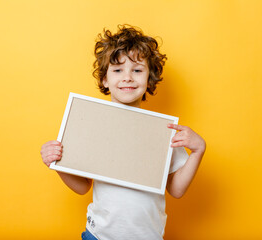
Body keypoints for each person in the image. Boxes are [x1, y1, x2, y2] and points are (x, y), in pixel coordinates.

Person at [40, 24, 206, 240]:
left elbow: (176, 190)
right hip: (98, 235)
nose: (127, 77)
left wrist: (198, 150)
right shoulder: (92, 125)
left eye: (137, 70)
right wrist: (57, 164)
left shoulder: (163, 131)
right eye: (118, 70)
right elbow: (82, 187)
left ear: (149, 78)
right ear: (104, 79)